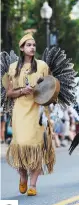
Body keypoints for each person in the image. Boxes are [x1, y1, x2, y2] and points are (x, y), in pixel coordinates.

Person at [5, 34, 55, 196]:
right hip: (20, 110)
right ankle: (22, 176)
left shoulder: (42, 66)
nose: (32, 47)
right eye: (28, 45)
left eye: (33, 45)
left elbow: (51, 86)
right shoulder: (13, 68)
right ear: (21, 48)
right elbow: (9, 93)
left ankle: (33, 184)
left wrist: (44, 91)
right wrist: (22, 91)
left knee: (37, 146)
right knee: (20, 145)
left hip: (38, 110)